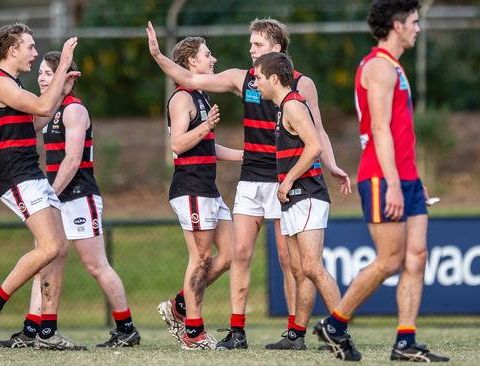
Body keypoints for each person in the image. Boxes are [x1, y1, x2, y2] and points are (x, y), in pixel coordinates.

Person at [147, 19, 351, 350]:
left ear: (277, 49)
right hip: (251, 180)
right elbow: (188, 76)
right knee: (239, 253)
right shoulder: (242, 79)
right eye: (250, 43)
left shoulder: (303, 85)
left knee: (290, 261)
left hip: (286, 179)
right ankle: (237, 331)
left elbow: (319, 132)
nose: (251, 49)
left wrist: (332, 165)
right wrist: (157, 53)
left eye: (257, 44)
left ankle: (293, 332)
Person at [312, 0, 449, 362]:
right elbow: (378, 129)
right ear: (397, 26)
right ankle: (335, 324)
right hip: (381, 176)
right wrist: (392, 183)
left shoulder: (394, 67)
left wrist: (413, 180)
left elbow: (402, 133)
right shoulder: (379, 67)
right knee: (389, 261)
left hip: (406, 177)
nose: (418, 28)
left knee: (416, 257)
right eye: (414, 22)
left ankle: (405, 342)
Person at [0, 51, 141, 349]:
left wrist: (48, 195)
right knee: (45, 260)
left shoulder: (74, 110)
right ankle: (33, 330)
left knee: (96, 264)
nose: (42, 77)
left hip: (78, 196)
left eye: (49, 73)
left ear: (68, 78)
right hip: (57, 196)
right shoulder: (46, 111)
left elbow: (73, 161)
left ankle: (126, 329)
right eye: (42, 73)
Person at [0, 23, 85, 350]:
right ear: (13, 51)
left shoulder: (13, 83)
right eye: (31, 47)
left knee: (59, 248)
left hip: (30, 172)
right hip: (15, 174)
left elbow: (34, 121)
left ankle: (45, 332)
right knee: (50, 246)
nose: (35, 54)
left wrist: (62, 90)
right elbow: (40, 107)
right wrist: (63, 63)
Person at [251, 51, 345, 351]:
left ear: (275, 79)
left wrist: (289, 178)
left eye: (259, 78)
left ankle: (340, 332)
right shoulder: (282, 107)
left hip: (307, 194)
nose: (256, 84)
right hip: (294, 197)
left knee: (312, 267)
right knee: (299, 270)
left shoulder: (292, 105)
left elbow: (315, 145)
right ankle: (296, 335)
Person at [158, 36, 240, 350]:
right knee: (201, 257)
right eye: (207, 55)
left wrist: (241, 155)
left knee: (230, 254)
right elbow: (178, 144)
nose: (213, 59)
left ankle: (180, 305)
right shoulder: (182, 98)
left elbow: (206, 144)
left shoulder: (201, 96)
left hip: (209, 189)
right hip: (190, 187)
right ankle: (193, 333)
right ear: (191, 62)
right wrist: (205, 126)